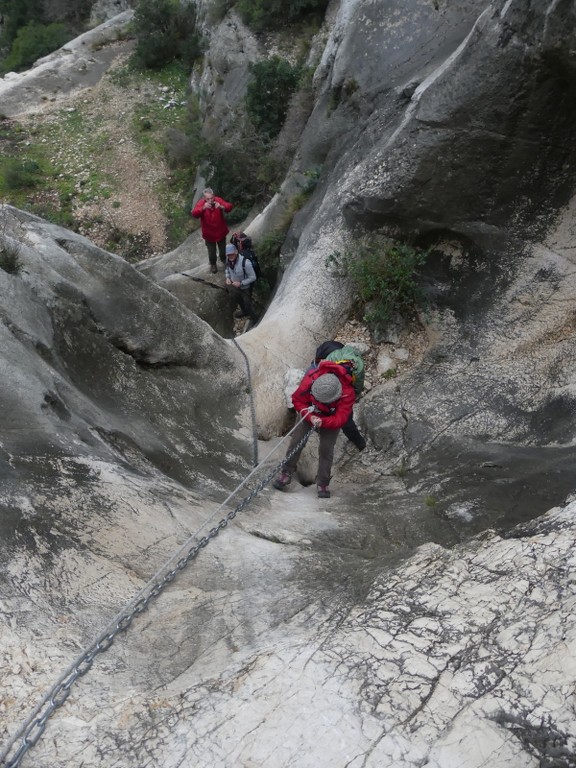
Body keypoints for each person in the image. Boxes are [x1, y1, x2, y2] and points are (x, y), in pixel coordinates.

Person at [273, 361, 356, 499]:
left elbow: (340, 419)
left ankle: (323, 482)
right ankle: (286, 472)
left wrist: (323, 421)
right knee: (296, 442)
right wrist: (310, 416)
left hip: (330, 420)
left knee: (326, 449)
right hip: (309, 414)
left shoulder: (347, 393)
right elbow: (297, 400)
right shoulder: (311, 378)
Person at [311, 340, 367, 451]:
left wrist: (352, 396)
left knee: (346, 419)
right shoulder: (330, 360)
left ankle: (359, 442)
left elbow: (358, 384)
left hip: (343, 388)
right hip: (329, 379)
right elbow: (320, 374)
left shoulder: (358, 368)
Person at [191, 188, 233, 273]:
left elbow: (229, 206)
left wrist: (221, 207)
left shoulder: (218, 200)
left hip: (220, 232)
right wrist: (203, 208)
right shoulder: (201, 203)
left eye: (211, 198)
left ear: (213, 196)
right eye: (208, 199)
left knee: (222, 250)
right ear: (204, 198)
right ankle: (213, 264)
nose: (210, 200)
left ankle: (224, 260)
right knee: (212, 252)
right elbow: (194, 213)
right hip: (209, 234)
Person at [224, 242, 258, 324]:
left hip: (245, 287)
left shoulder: (246, 263)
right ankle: (244, 312)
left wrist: (241, 283)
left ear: (236, 252)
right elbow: (227, 270)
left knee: (247, 303)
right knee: (238, 299)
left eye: (231, 254)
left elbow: (253, 277)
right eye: (228, 255)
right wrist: (228, 278)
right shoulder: (228, 261)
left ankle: (255, 319)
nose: (230, 256)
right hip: (235, 287)